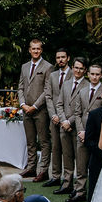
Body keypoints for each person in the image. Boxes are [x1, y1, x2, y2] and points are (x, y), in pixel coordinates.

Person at [17, 39, 52, 181]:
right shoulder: (24, 66)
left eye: (38, 49)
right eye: (33, 48)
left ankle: (43, 171)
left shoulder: (48, 67)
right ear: (29, 50)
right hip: (26, 109)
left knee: (43, 141)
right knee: (30, 141)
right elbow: (20, 87)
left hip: (40, 110)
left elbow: (47, 89)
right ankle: (31, 168)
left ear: (41, 50)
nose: (36, 51)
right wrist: (23, 104)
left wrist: (35, 106)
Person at [53, 58, 86, 196]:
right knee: (66, 157)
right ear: (72, 68)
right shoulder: (66, 84)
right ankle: (66, 183)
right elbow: (59, 104)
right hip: (64, 126)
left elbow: (83, 109)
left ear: (85, 70)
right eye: (76, 67)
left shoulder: (87, 85)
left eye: (81, 68)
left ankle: (78, 187)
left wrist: (69, 122)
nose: (78, 71)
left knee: (80, 159)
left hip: (77, 127)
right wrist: (63, 120)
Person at [42, 48, 70, 188]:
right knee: (55, 147)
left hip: (67, 118)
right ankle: (55, 176)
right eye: (58, 57)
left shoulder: (74, 74)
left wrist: (64, 117)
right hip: (54, 118)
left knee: (67, 150)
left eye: (63, 57)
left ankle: (68, 179)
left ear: (68, 58)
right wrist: (53, 114)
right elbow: (48, 96)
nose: (60, 60)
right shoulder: (52, 75)